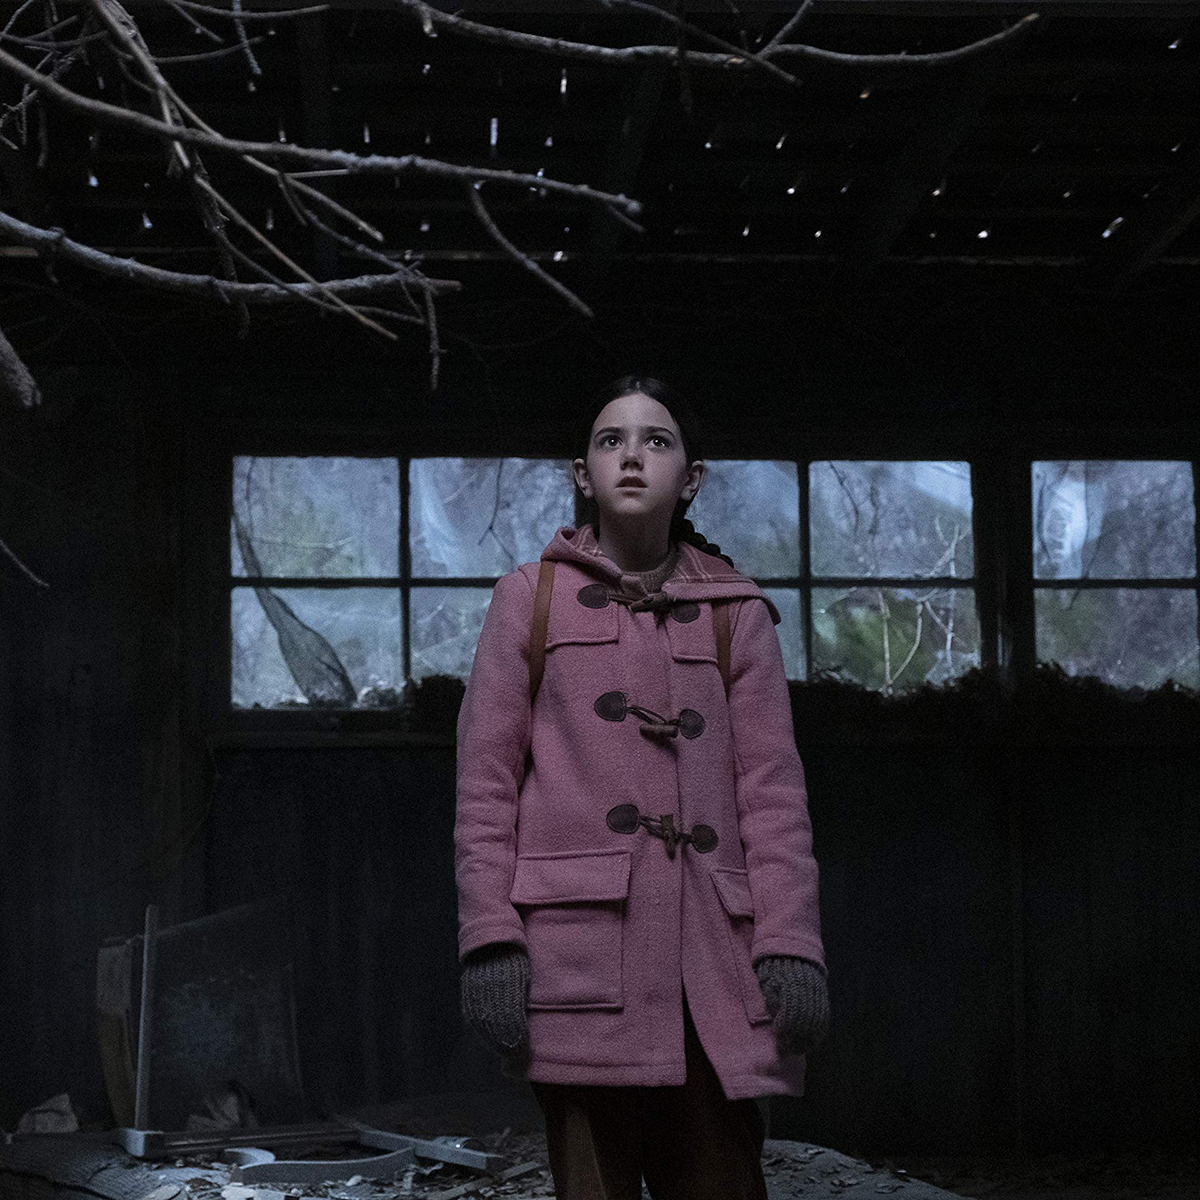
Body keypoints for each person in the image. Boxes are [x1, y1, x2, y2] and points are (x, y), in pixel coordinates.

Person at [455, 375, 829, 1200]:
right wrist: (490, 937)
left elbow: (774, 796)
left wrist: (791, 942)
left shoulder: (737, 612)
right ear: (582, 474)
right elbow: (485, 786)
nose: (632, 457)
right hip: (578, 966)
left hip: (712, 964)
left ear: (691, 479)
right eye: (610, 440)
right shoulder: (527, 600)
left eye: (656, 441)